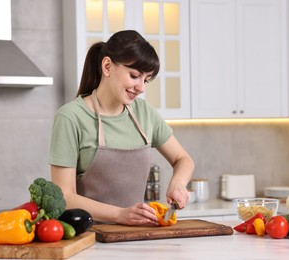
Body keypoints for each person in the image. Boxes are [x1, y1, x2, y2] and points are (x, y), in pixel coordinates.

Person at [50, 30, 194, 226]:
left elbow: (183, 159)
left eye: (146, 79)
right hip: (88, 238)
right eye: (135, 76)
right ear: (107, 66)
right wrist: (120, 214)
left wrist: (177, 185)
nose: (141, 88)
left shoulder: (145, 113)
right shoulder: (71, 117)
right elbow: (65, 196)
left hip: (135, 236)